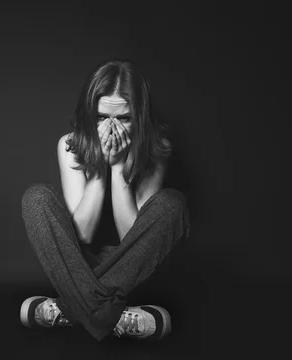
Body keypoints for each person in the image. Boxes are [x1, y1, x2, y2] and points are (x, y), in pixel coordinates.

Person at [19, 60, 190, 342]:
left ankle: (68, 309)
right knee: (36, 197)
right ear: (89, 114)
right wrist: (99, 168)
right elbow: (83, 234)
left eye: (123, 118)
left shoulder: (156, 149)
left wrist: (119, 170)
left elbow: (133, 237)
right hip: (77, 262)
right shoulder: (70, 146)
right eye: (101, 117)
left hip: (130, 266)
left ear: (139, 115)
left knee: (172, 203)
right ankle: (116, 318)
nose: (111, 126)